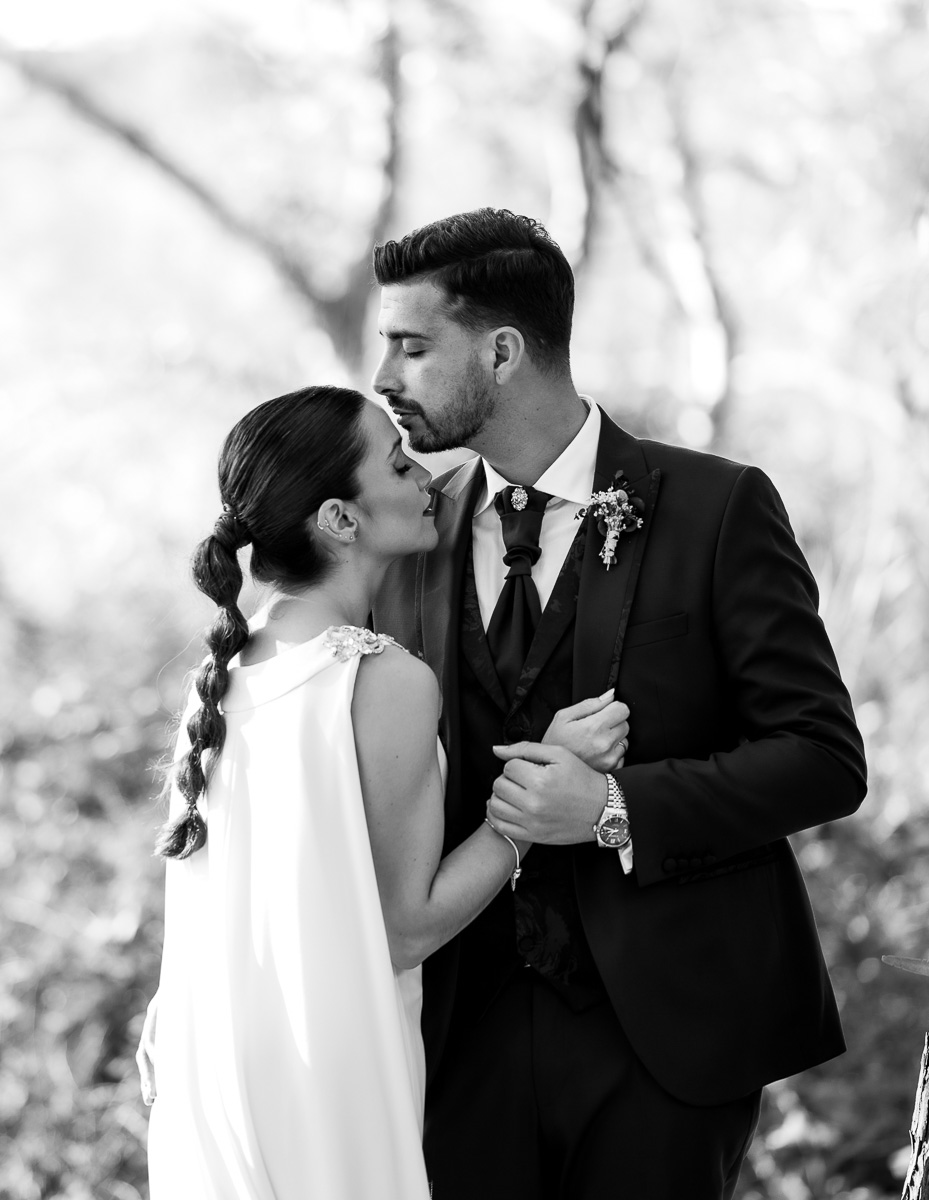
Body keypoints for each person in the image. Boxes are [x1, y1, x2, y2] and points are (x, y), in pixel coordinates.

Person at [368, 209, 867, 1199]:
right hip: (455, 1043)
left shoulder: (717, 507)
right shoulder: (406, 537)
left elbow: (822, 756)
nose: (385, 380)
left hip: (663, 1040)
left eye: (413, 347)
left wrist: (611, 808)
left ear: (504, 350)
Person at [136, 384, 631, 1199]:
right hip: (327, 1075)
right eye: (399, 464)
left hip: (212, 1064)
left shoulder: (220, 676)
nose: (426, 477)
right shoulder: (381, 680)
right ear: (340, 519)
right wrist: (538, 791)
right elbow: (408, 928)